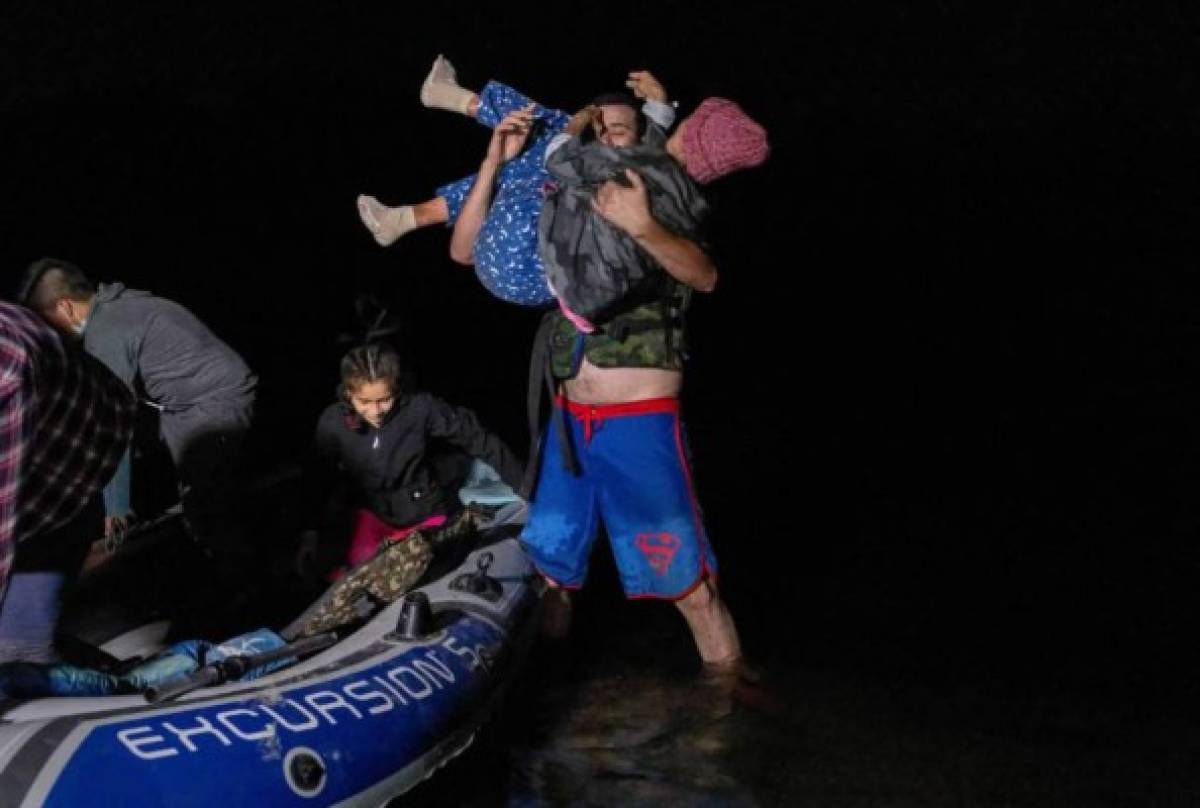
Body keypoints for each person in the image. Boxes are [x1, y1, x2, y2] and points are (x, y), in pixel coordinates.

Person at [517, 132, 747, 672]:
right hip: (570, 424)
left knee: (692, 587)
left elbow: (705, 275)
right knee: (552, 569)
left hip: (639, 428)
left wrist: (641, 223)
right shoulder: (576, 208)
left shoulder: (667, 202)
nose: (611, 137)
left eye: (624, 127)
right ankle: (550, 690)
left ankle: (728, 708)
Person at [16, 260, 257, 604]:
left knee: (206, 508)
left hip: (211, 402)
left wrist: (115, 506)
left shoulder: (106, 332)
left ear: (65, 306)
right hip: (190, 401)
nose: (51, 335)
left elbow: (117, 419)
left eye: (46, 322)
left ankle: (244, 591)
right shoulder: (122, 305)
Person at [356, 57, 679, 307]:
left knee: (551, 131)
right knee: (512, 166)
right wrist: (496, 161)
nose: (604, 137)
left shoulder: (632, 170)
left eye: (618, 131)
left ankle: (458, 101)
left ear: (639, 139)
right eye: (600, 130)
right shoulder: (592, 161)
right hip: (502, 260)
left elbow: (647, 157)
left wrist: (589, 118)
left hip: (544, 266)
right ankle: (409, 217)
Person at [297, 342, 524, 580]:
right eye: (364, 402)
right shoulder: (332, 424)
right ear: (348, 394)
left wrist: (524, 486)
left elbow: (477, 437)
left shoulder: (420, 408)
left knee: (427, 572)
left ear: (396, 388)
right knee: (359, 578)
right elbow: (317, 478)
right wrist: (310, 533)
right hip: (372, 514)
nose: (376, 412)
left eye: (384, 400)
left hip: (423, 513)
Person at [0, 300, 135, 663]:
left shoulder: (6, 367)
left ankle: (118, 686)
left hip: (71, 466)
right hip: (41, 435)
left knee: (18, 656)